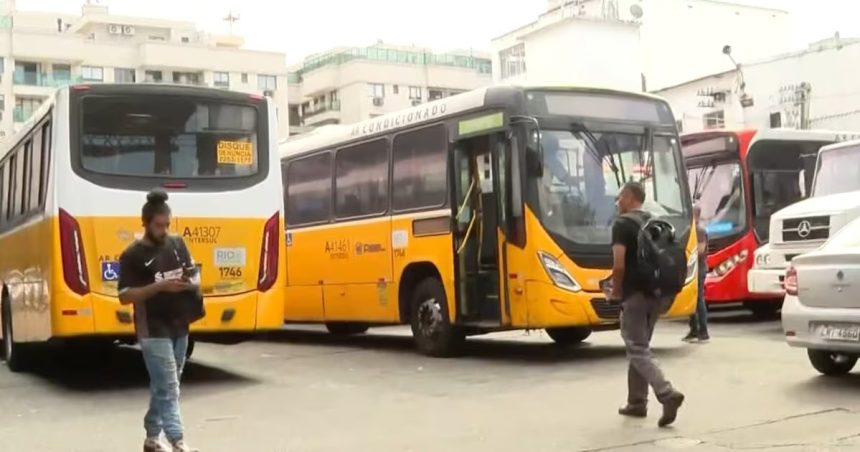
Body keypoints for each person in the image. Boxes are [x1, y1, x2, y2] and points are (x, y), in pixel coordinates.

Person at [118, 190, 200, 452]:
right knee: (169, 385)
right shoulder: (132, 254)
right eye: (158, 225)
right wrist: (160, 287)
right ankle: (178, 441)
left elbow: (191, 272)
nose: (164, 230)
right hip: (152, 328)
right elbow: (124, 295)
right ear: (145, 222)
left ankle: (152, 436)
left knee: (166, 382)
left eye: (167, 225)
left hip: (179, 322)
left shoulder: (177, 244)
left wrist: (191, 281)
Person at [609, 182, 685, 428]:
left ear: (630, 197)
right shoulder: (653, 221)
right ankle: (637, 402)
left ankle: (666, 393)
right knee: (640, 347)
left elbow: (619, 265)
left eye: (619, 197)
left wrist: (616, 291)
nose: (617, 202)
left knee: (637, 349)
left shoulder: (622, 224)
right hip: (658, 294)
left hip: (635, 295)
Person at [684, 205, 710, 343]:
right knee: (691, 298)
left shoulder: (699, 231)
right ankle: (694, 329)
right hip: (692, 268)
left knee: (699, 298)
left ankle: (703, 331)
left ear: (696, 216)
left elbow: (700, 250)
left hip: (699, 268)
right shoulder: (691, 230)